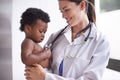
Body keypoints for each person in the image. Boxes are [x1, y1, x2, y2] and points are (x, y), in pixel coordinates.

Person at [24, 0, 110, 80]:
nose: (63, 16)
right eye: (61, 11)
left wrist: (45, 77)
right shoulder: (55, 37)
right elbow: (42, 66)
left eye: (66, 10)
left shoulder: (101, 42)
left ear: (82, 5)